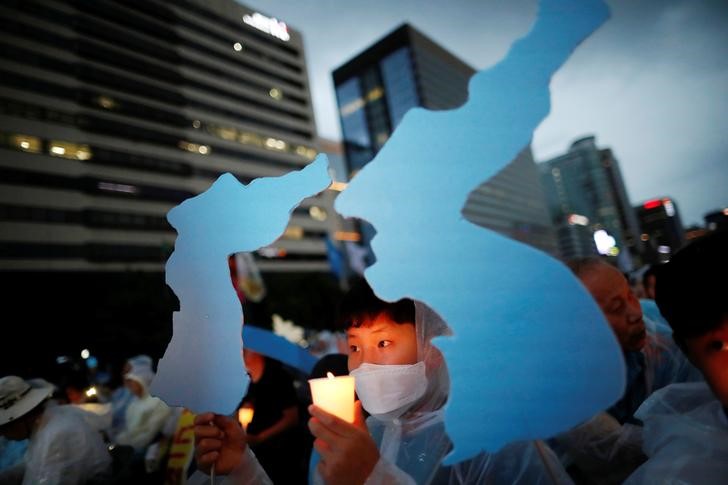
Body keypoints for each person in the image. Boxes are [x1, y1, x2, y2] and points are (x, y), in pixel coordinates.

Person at [193, 279, 570, 484]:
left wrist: (374, 477)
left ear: (434, 345)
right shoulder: (368, 433)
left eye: (384, 342)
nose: (366, 364)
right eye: (355, 346)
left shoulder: (498, 440)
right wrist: (243, 468)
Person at [550, 257, 701, 484]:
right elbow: (611, 452)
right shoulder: (557, 385)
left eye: (631, 295)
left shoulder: (658, 335)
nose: (635, 313)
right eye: (617, 307)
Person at [625, 231, 728, 484]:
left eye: (629, 297)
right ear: (688, 352)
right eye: (719, 346)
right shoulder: (678, 475)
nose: (633, 314)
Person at [0, 376, 111, 484]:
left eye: (4, 426)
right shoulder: (47, 424)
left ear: (20, 417)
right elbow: (34, 465)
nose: (2, 433)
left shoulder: (55, 435)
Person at [237, 349, 304, 483]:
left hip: (279, 454)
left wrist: (260, 437)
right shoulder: (246, 380)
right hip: (256, 454)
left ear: (259, 352)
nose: (242, 353)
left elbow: (292, 417)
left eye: (246, 350)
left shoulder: (278, 377)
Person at [113, 360, 171, 452]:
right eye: (128, 381)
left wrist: (130, 447)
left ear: (142, 379)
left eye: (132, 380)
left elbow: (151, 432)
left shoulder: (159, 400)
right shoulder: (133, 403)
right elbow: (129, 431)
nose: (129, 384)